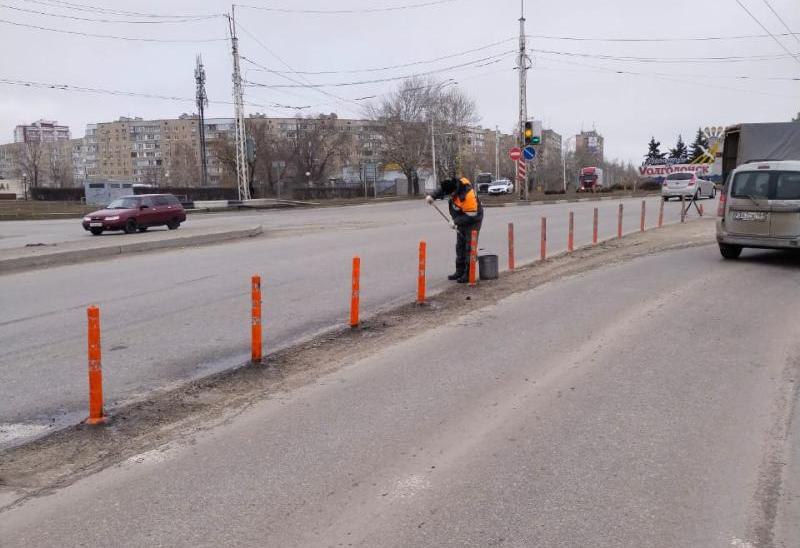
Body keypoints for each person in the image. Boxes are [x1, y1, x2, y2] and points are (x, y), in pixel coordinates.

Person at [425, 176, 484, 283]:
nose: (449, 196)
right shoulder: (452, 185)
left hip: (473, 219)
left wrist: (455, 222)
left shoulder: (468, 195)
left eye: (450, 194)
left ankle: (468, 274)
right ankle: (459, 271)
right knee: (460, 245)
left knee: (469, 246)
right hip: (461, 217)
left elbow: (472, 214)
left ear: (455, 191)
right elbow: (442, 189)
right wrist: (432, 196)